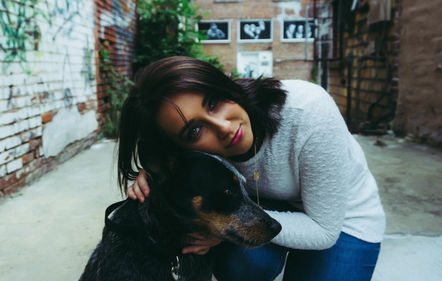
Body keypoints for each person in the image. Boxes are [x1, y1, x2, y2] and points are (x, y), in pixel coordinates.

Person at [118, 56, 386, 281]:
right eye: (195, 130)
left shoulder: (309, 112)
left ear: (224, 83)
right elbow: (172, 170)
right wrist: (157, 178)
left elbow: (324, 231)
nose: (224, 127)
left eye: (213, 102)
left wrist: (223, 233)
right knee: (243, 265)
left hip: (340, 219)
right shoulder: (191, 157)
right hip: (266, 201)